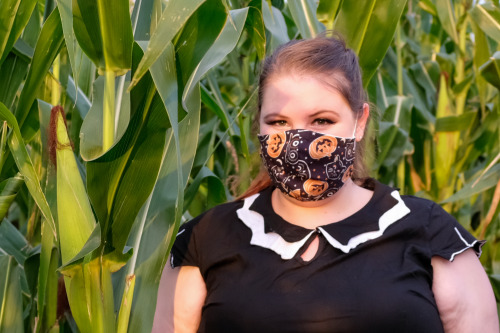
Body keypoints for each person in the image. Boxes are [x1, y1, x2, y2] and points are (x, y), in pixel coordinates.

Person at [152, 35, 499, 333]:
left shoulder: (432, 235)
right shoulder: (205, 239)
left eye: (321, 120)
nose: (298, 139)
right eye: (279, 121)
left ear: (359, 121)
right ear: (258, 125)